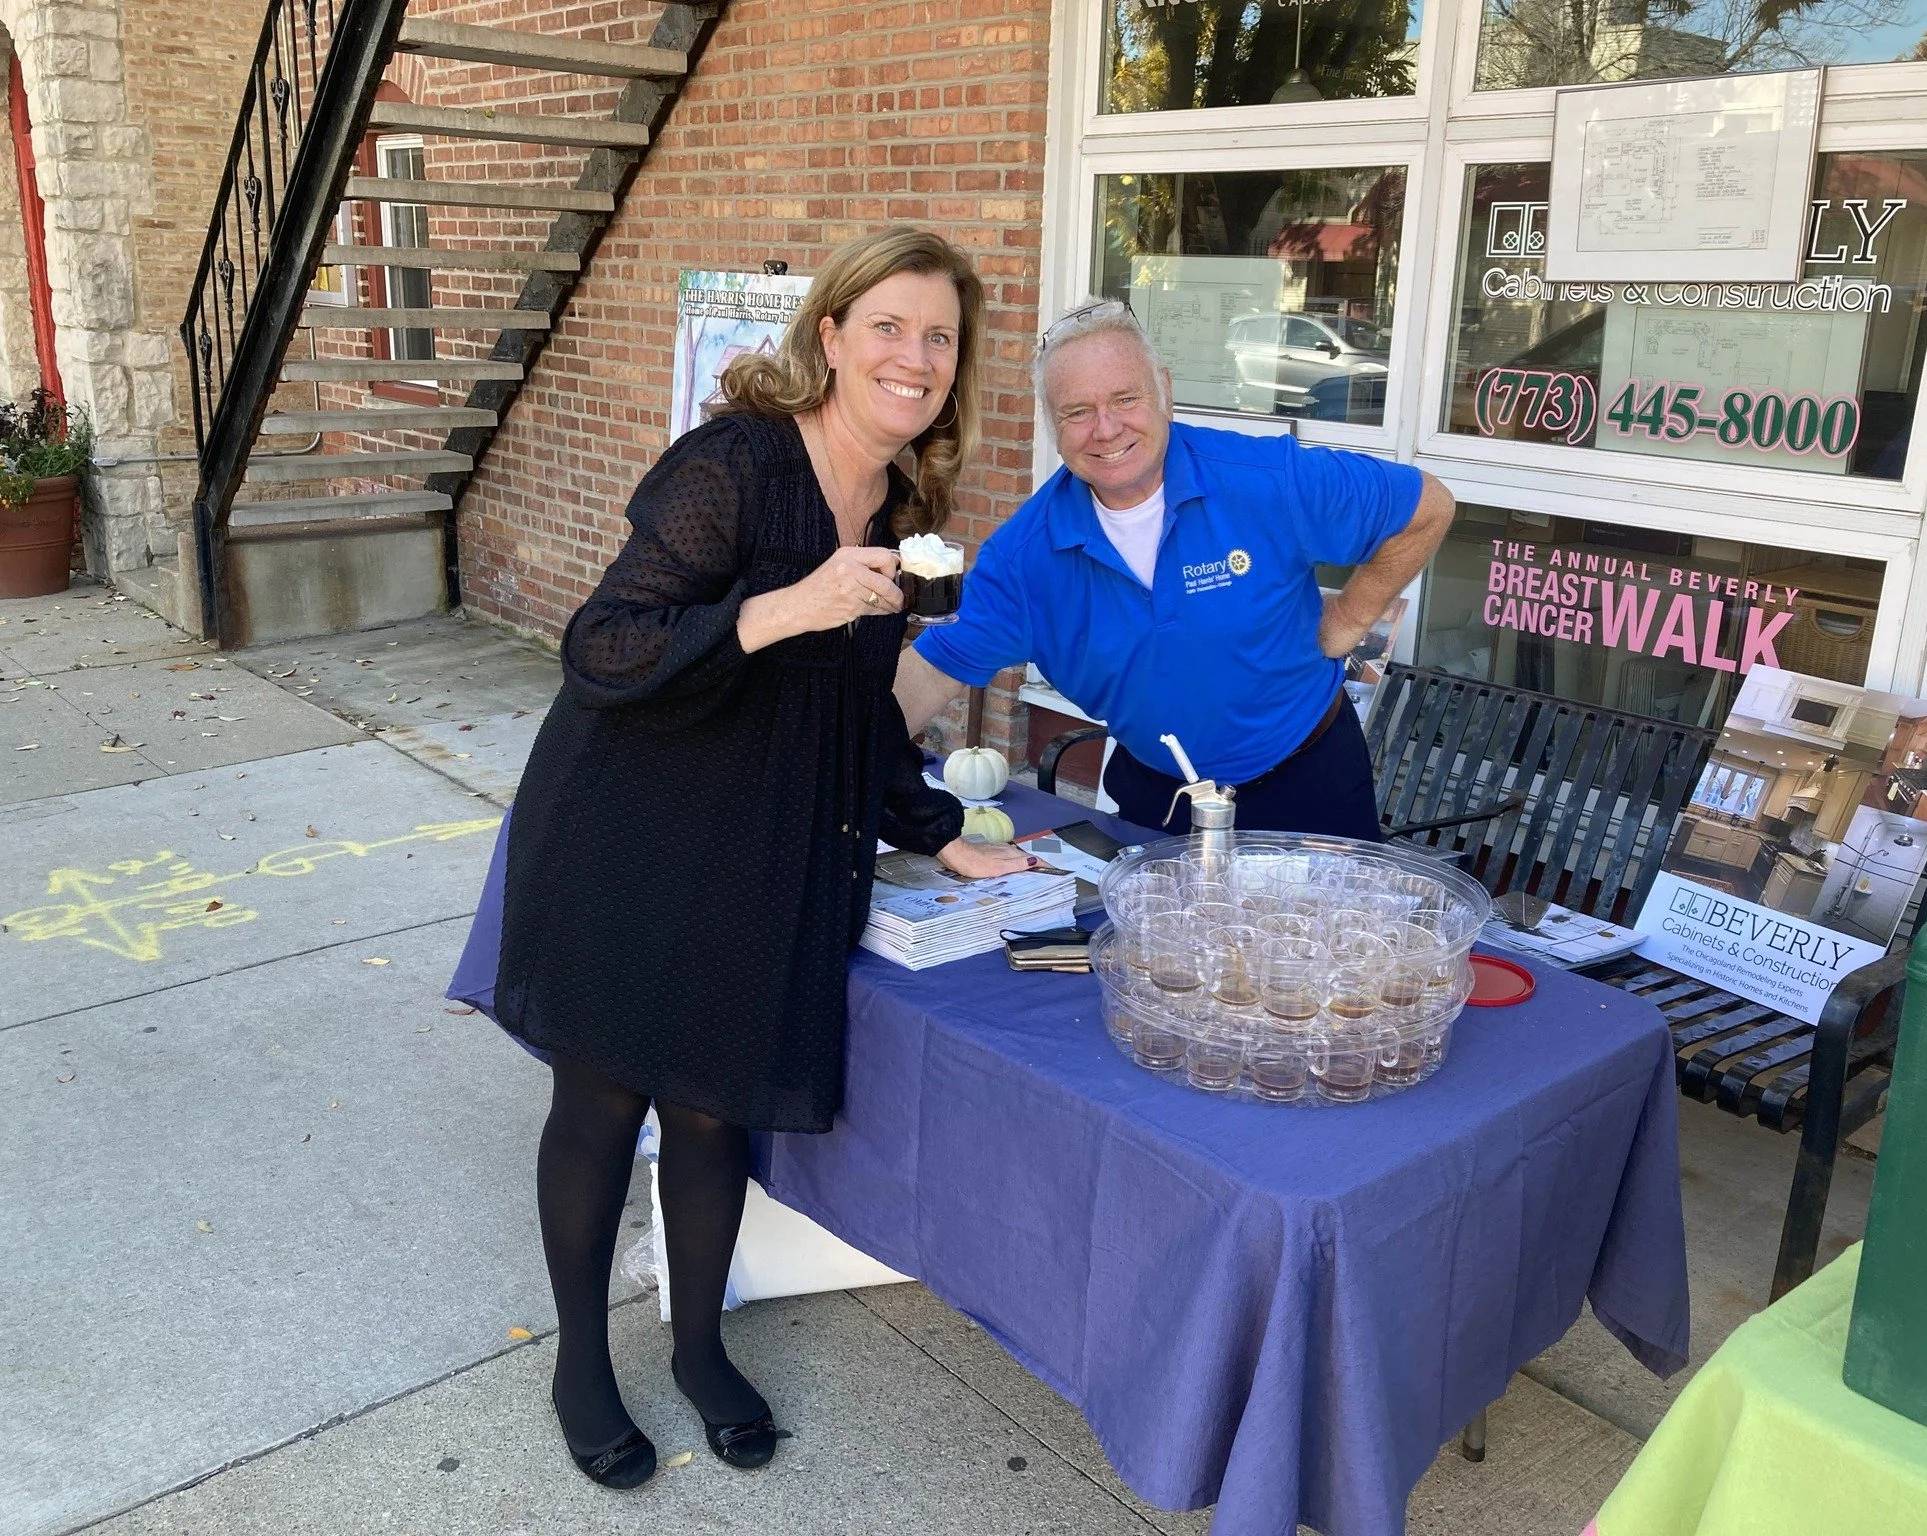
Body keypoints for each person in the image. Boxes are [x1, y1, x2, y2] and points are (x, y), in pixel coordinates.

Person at [493, 228, 1030, 1490]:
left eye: (939, 336)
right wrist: (788, 603)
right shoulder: (733, 464)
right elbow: (603, 647)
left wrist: (942, 832)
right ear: (831, 336)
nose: (915, 356)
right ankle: (581, 1360)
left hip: (765, 847)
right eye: (888, 326)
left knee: (711, 1107)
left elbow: (854, 710)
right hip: (631, 829)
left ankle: (695, 1347)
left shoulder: (902, 512)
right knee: (602, 1100)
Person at [895, 298, 1456, 840]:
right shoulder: (1025, 560)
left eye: (1125, 398)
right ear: (1052, 425)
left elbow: (1427, 506)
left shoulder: (1263, 479)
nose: (1107, 428)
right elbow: (927, 676)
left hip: (1307, 782)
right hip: (1161, 798)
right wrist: (830, 756)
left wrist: (1348, 622)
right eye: (1077, 412)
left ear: (1164, 389)